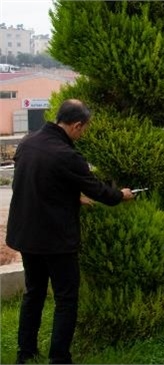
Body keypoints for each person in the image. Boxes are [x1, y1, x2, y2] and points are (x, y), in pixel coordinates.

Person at [6, 99, 135, 364]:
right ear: (77, 125)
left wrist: (71, 196)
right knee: (66, 299)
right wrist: (120, 195)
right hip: (55, 240)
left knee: (34, 293)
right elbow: (98, 191)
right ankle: (59, 359)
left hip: (26, 235)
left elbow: (38, 180)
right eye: (84, 129)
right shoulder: (68, 155)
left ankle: (25, 353)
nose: (83, 133)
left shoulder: (28, 142)